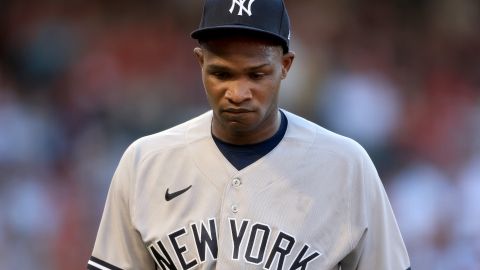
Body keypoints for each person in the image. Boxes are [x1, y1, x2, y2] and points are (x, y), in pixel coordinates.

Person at [87, 0, 411, 269]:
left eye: (257, 74)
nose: (238, 92)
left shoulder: (346, 165)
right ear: (200, 62)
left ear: (285, 65)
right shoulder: (145, 162)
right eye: (221, 73)